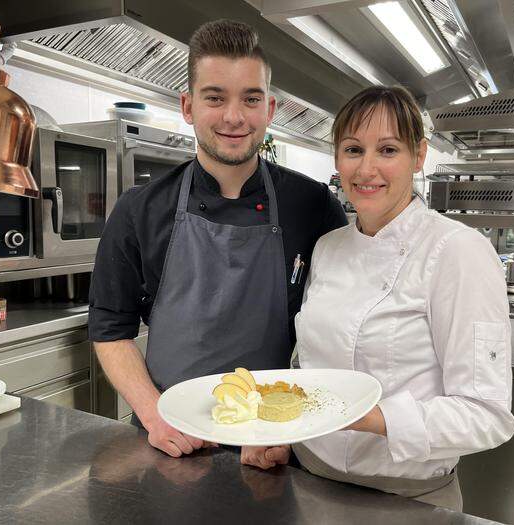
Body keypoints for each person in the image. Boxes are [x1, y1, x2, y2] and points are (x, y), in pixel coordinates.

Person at [242, 86, 514, 511]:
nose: (367, 168)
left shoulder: (457, 252)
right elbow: (313, 367)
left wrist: (364, 417)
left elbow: (486, 415)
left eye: (387, 149)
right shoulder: (328, 247)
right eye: (353, 149)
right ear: (337, 159)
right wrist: (292, 439)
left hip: (407, 498)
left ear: (419, 156)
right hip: (311, 478)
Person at [88, 20, 347, 459]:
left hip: (272, 443)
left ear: (270, 108)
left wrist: (292, 424)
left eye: (250, 98)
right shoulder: (140, 209)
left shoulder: (313, 205)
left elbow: (341, 329)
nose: (233, 116)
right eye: (215, 98)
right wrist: (155, 416)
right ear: (188, 106)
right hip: (168, 439)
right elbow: (110, 329)